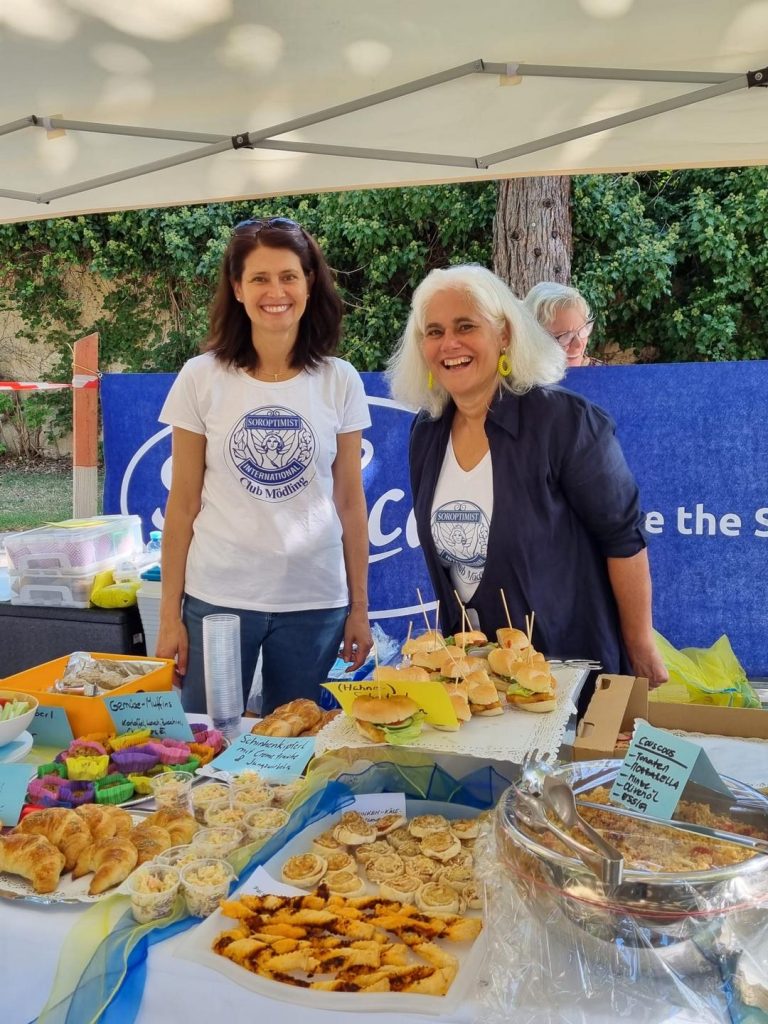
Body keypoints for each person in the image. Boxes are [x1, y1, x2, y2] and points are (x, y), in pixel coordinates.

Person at [387, 264, 668, 685]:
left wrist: (640, 645)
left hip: (567, 673)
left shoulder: (566, 422)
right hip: (474, 678)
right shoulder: (426, 432)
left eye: (466, 326)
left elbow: (623, 539)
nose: (449, 344)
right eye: (434, 331)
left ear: (504, 334)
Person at [156, 216, 373, 716]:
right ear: (237, 288)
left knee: (300, 745)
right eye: (259, 278)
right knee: (208, 741)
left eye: (288, 276)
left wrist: (359, 609)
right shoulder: (200, 378)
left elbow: (349, 502)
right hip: (217, 598)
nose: (276, 292)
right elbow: (182, 504)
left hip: (315, 603)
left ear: (309, 283)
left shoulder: (340, 380)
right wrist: (169, 616)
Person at [524, 281, 604, 368]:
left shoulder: (602, 372)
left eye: (583, 331)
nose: (579, 345)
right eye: (566, 337)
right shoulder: (518, 375)